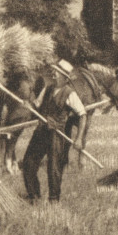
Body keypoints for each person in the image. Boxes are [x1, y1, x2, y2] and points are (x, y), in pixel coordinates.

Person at [22, 59, 87, 204]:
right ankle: (34, 196)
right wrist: (29, 105)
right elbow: (36, 105)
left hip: (57, 135)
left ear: (65, 78)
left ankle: (53, 200)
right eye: (55, 72)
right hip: (41, 131)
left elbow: (82, 115)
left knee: (54, 169)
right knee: (28, 162)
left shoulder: (70, 94)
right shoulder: (48, 88)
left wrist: (79, 138)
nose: (54, 74)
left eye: (57, 73)